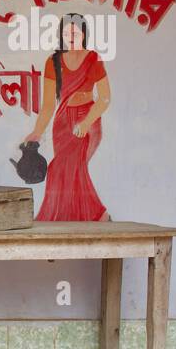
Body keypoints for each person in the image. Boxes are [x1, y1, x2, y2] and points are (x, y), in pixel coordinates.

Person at [21, 12, 112, 222]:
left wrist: (86, 122)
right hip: (62, 123)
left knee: (61, 170)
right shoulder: (53, 62)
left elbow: (105, 99)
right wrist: (37, 131)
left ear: (83, 34)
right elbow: (48, 105)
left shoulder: (93, 58)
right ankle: (96, 219)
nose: (70, 36)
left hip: (87, 121)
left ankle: (56, 221)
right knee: (68, 174)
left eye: (75, 32)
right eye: (66, 32)